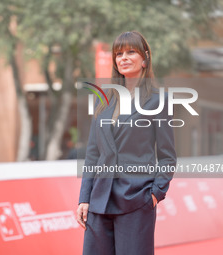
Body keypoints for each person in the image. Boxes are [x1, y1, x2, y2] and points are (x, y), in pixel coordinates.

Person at [77, 31, 177, 255]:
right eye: (118, 53)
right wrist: (84, 198)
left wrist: (154, 194)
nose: (123, 57)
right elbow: (93, 155)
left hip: (136, 200)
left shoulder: (157, 101)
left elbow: (167, 155)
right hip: (99, 202)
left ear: (145, 58)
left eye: (131, 51)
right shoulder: (104, 100)